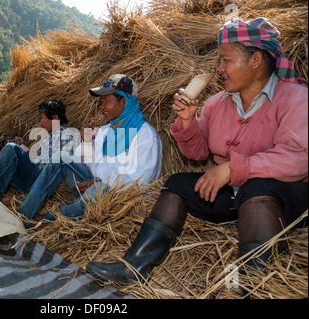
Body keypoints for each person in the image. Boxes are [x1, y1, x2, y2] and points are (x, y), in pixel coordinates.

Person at [85, 18, 308, 285]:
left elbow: (297, 158)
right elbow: (198, 152)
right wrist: (189, 121)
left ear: (256, 60)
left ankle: (257, 281)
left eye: (226, 60)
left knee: (258, 185)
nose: (220, 68)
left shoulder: (296, 99)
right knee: (177, 183)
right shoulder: (217, 103)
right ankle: (134, 266)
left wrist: (232, 168)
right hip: (234, 198)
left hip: (284, 199)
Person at [17, 74, 162, 224]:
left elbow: (142, 183)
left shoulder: (144, 135)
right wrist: (87, 142)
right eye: (101, 101)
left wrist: (101, 182)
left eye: (106, 101)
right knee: (61, 157)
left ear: (123, 101)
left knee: (97, 190)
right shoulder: (108, 130)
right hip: (94, 185)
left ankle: (50, 219)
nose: (102, 106)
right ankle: (23, 215)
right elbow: (91, 163)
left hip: (121, 199)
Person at [0, 99, 74, 200]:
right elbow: (40, 160)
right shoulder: (49, 136)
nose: (41, 122)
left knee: (11, 148)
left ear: (55, 118)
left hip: (42, 182)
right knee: (0, 158)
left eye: (42, 118)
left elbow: (57, 169)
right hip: (36, 176)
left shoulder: (66, 136)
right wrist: (22, 148)